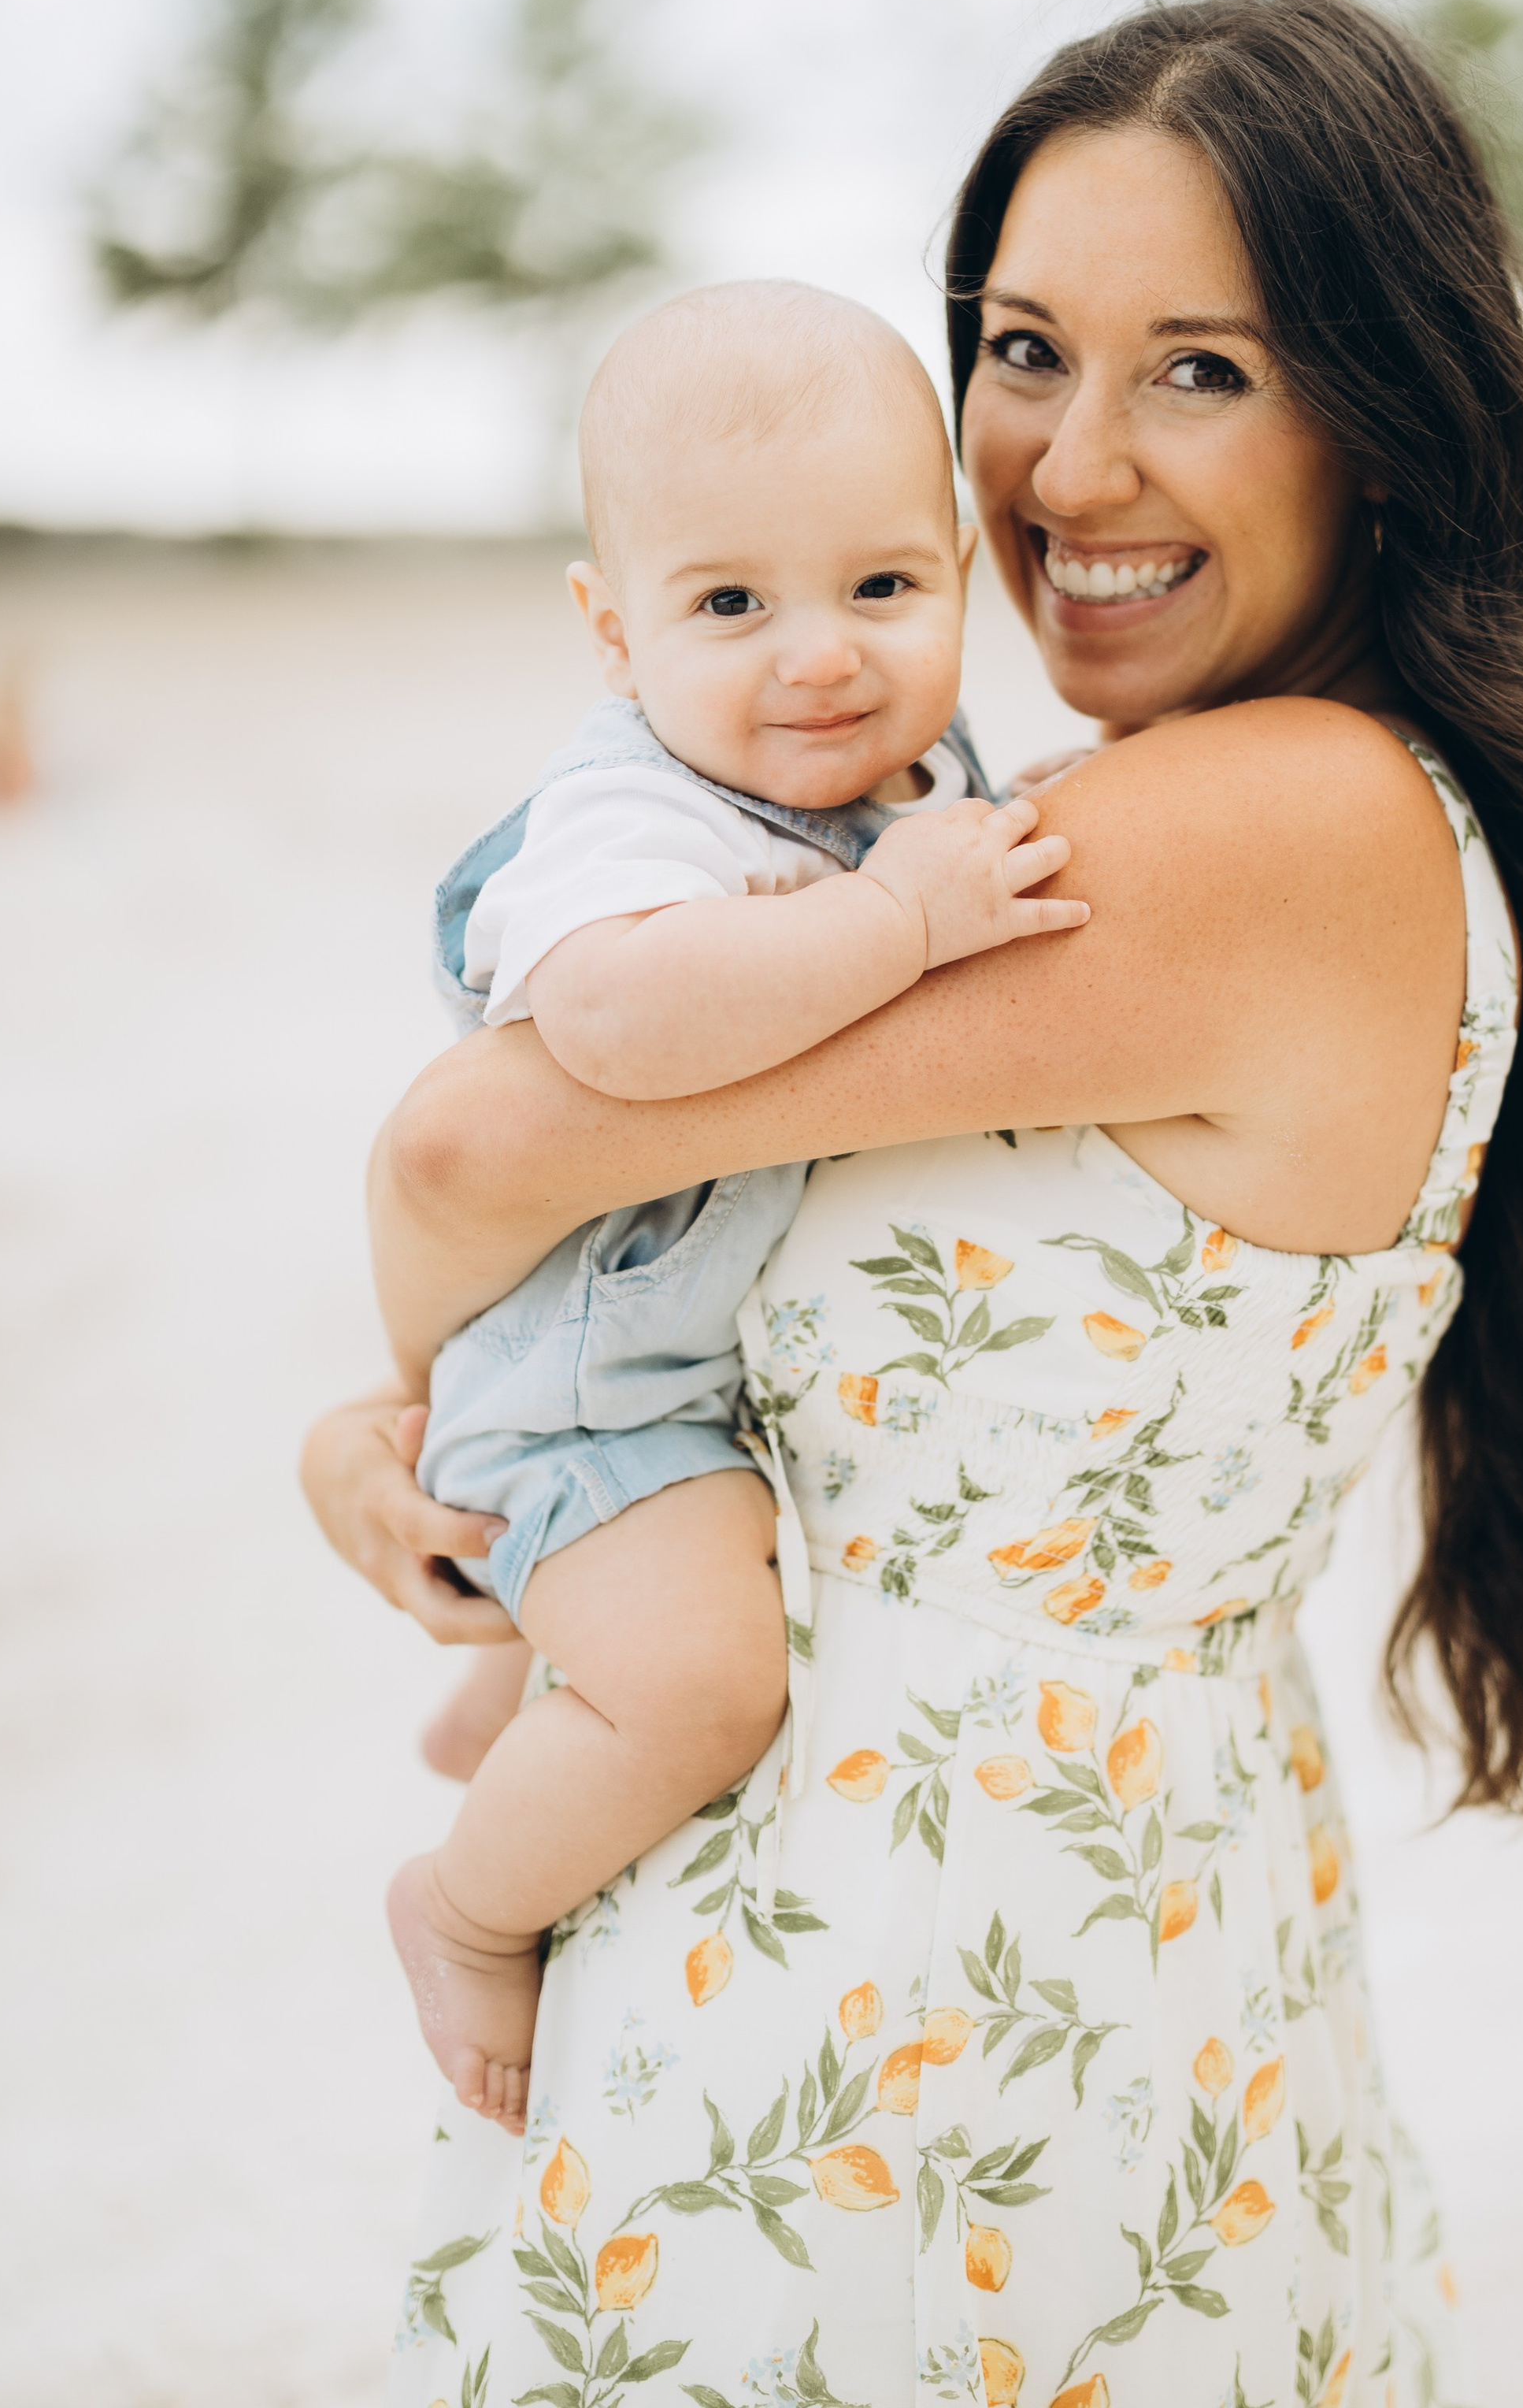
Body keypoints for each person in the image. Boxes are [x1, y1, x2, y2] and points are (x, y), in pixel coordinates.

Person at [305, 0, 1523, 2408]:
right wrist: (424, 1441)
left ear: (1384, 416)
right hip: (1067, 1989)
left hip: (918, 2045)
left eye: (1201, 369)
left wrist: (435, 1349)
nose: (1067, 462)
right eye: (1027, 350)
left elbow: (461, 1146)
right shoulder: (1082, 818)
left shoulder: (1252, 829)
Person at [387, 280, 1087, 2131]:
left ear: (958, 570)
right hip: (594, 1387)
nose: (820, 658)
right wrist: (894, 922)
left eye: (880, 586)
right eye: (728, 606)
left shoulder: (903, 771)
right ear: (612, 634)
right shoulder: (636, 816)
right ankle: (463, 1905)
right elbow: (612, 1022)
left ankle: (514, 1692)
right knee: (706, 1689)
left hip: (710, 1360)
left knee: (684, 1612)